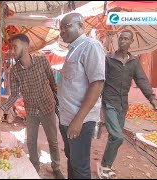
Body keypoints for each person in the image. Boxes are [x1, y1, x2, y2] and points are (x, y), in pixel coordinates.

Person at [0, 33, 64, 179]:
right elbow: (14, 94)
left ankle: (56, 167)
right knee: (31, 141)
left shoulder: (42, 61)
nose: (12, 51)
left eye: (15, 47)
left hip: (48, 107)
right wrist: (3, 108)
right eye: (11, 48)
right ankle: (34, 166)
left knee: (53, 141)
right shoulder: (15, 71)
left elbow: (52, 83)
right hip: (31, 111)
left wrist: (56, 102)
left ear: (26, 47)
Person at [97, 29, 157, 179]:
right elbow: (99, 78)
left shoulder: (134, 62)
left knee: (114, 138)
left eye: (126, 39)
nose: (122, 41)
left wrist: (152, 99)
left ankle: (106, 163)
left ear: (131, 42)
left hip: (122, 105)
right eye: (121, 38)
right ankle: (105, 166)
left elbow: (142, 80)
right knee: (118, 137)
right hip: (109, 102)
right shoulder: (108, 59)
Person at [58, 13, 106, 179]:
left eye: (67, 26)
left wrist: (78, 120)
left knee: (80, 166)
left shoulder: (91, 46)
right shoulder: (73, 50)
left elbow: (97, 84)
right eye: (61, 29)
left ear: (81, 27)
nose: (62, 31)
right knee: (72, 161)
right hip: (67, 118)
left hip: (79, 120)